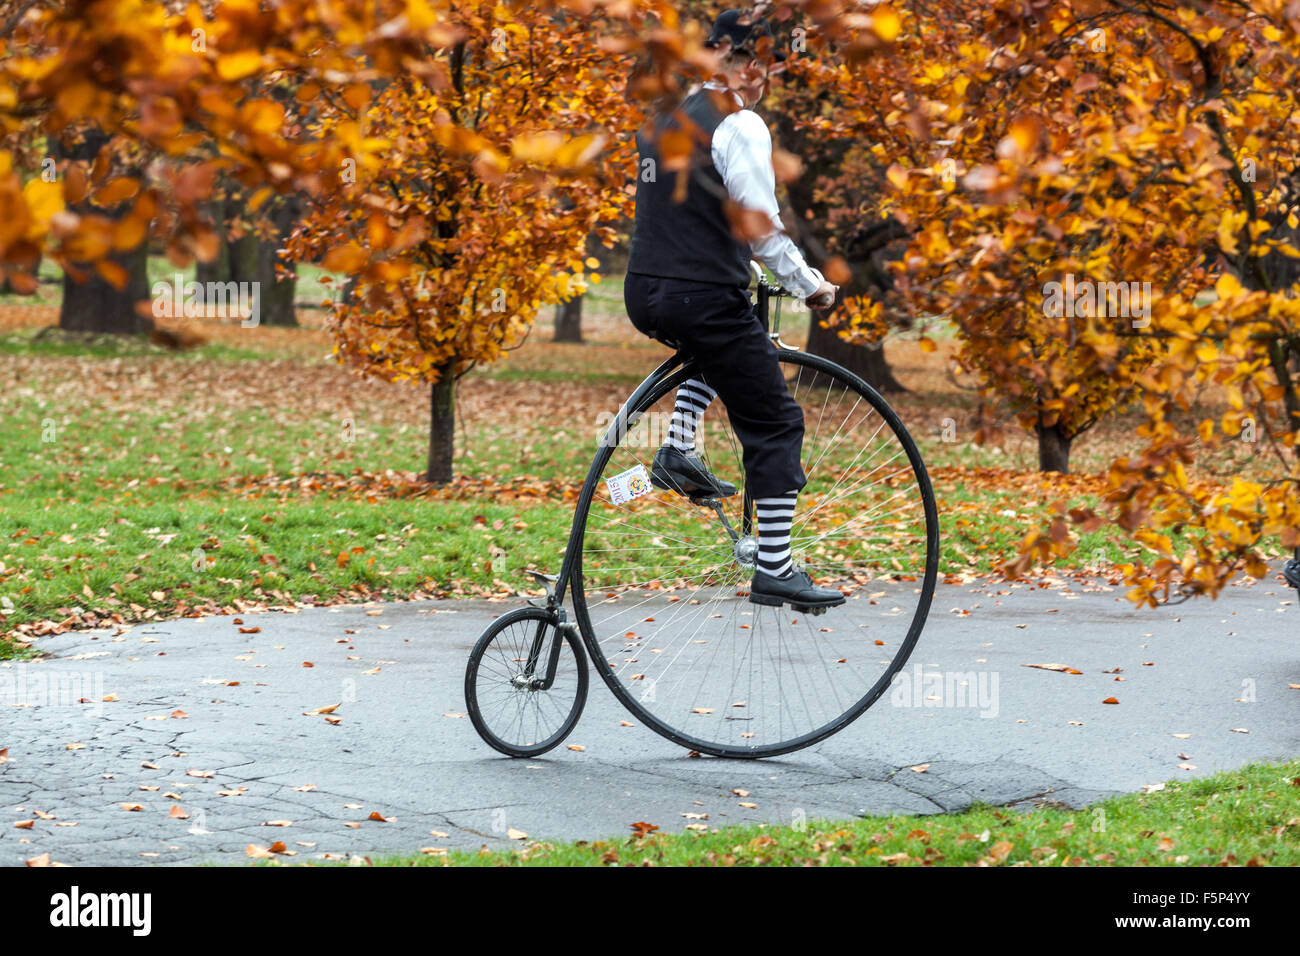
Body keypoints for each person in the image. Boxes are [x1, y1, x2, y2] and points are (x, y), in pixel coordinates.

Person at [623, 8, 844, 611]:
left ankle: (677, 449)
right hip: (701, 297)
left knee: (719, 348)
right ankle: (776, 567)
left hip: (646, 294)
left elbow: (682, 214)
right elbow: (761, 229)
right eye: (767, 67)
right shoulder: (739, 124)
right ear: (746, 64)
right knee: (777, 420)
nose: (766, 80)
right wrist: (810, 286)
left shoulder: (663, 117)